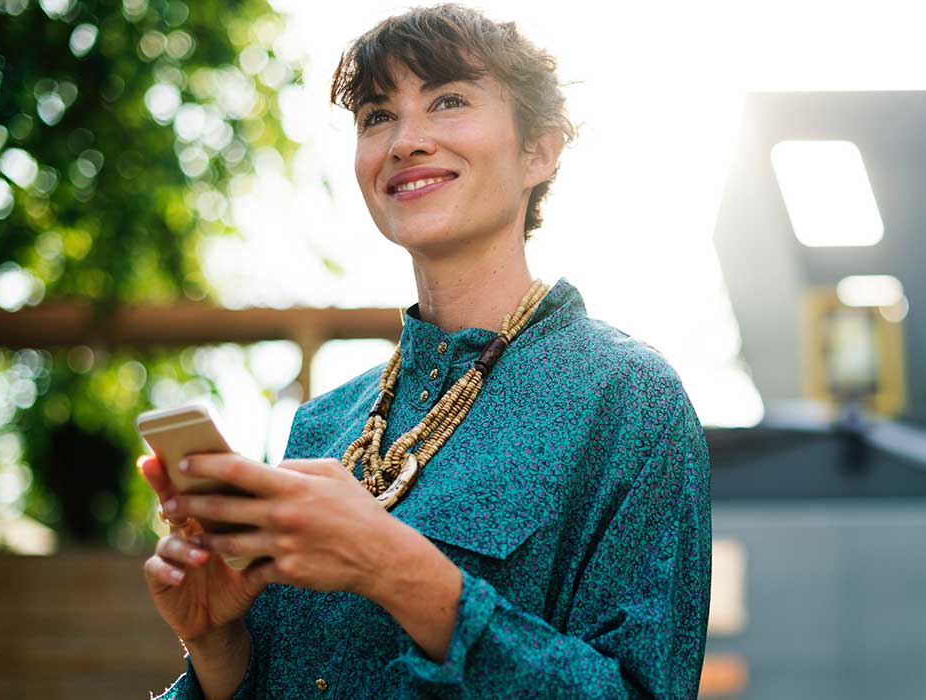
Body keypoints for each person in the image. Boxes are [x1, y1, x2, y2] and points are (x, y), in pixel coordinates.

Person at [139, 4, 712, 698]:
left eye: (447, 101)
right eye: (378, 115)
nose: (407, 140)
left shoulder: (628, 399)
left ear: (540, 150)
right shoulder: (323, 427)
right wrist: (216, 645)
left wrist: (392, 567)